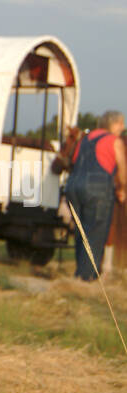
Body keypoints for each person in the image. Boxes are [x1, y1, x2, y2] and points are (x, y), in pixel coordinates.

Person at [65, 111, 127, 280]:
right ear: (112, 124)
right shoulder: (114, 141)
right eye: (121, 123)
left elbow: (74, 161)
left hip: (73, 186)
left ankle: (80, 273)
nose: (122, 127)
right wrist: (122, 189)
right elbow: (122, 169)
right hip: (97, 188)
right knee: (95, 232)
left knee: (81, 232)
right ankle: (86, 278)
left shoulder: (85, 139)